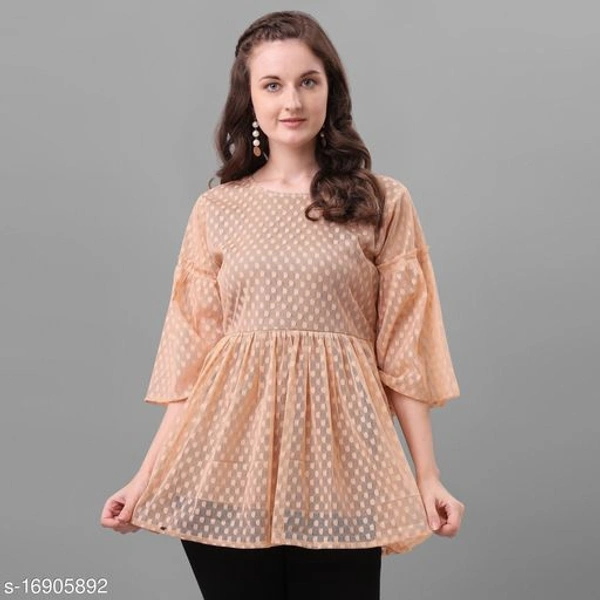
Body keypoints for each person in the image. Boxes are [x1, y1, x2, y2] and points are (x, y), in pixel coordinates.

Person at [100, 10, 465, 600]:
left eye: (307, 81)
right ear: (249, 98)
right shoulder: (216, 210)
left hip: (344, 478)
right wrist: (144, 478)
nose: (291, 101)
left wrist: (429, 476)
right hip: (227, 474)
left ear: (330, 91)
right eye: (272, 84)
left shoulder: (382, 201)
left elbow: (403, 352)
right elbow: (193, 364)